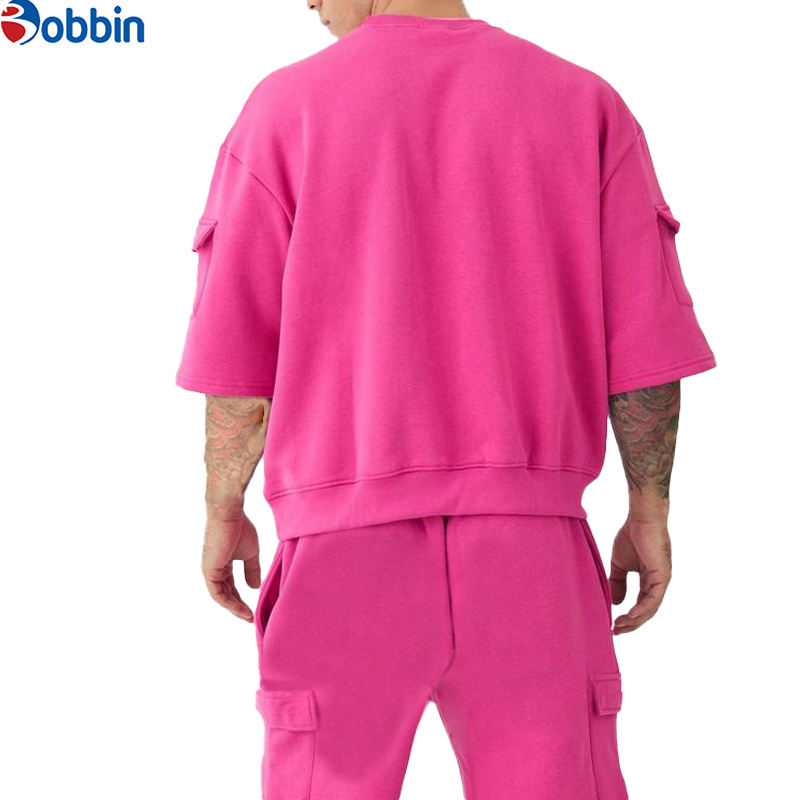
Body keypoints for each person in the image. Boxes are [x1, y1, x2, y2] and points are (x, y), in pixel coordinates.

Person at [175, 1, 717, 797]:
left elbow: (238, 357)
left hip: (340, 557)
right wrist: (649, 510)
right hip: (531, 558)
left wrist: (224, 507)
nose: (308, 3)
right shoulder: (584, 104)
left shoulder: (282, 112)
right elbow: (644, 351)